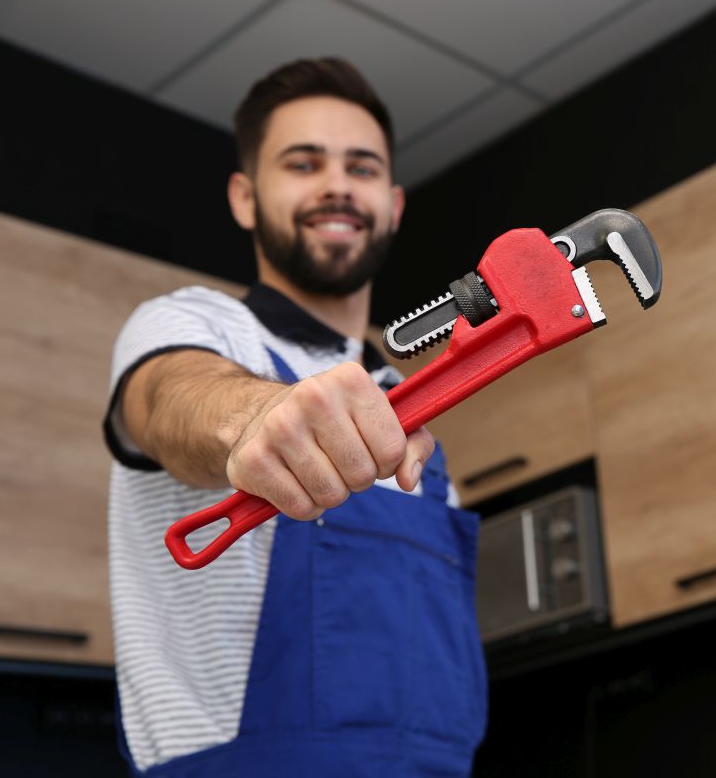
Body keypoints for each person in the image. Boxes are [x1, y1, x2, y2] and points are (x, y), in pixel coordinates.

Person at [103, 57, 486, 776]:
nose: (337, 184)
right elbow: (170, 398)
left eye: (361, 168)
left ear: (393, 206)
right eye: (304, 164)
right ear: (245, 197)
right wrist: (257, 414)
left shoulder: (410, 416)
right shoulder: (192, 327)